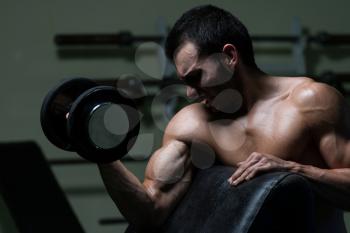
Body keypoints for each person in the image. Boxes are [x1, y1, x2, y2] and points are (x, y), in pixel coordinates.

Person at [98, 5, 350, 232]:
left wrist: (294, 170)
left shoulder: (310, 101)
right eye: (185, 82)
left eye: (196, 77)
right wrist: (101, 153)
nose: (190, 93)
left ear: (229, 56)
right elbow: (150, 210)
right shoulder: (192, 125)